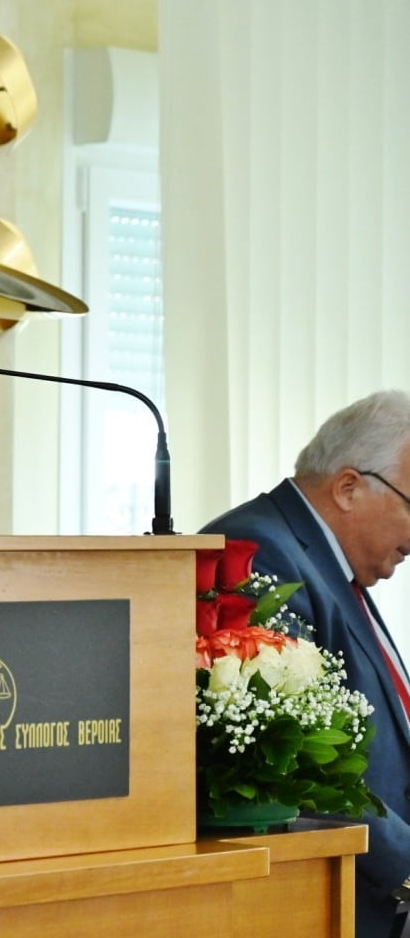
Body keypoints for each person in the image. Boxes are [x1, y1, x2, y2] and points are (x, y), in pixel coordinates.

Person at [202, 390, 410, 938]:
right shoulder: (259, 552)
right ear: (348, 487)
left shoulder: (325, 561)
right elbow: (298, 759)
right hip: (329, 899)